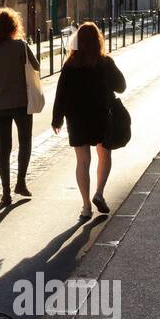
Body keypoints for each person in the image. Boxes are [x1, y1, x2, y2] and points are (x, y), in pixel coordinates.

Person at [51, 21, 127, 222]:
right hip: (101, 115)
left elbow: (61, 94)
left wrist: (56, 119)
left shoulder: (70, 65)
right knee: (104, 154)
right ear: (97, 41)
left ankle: (85, 206)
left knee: (82, 162)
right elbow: (122, 87)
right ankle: (99, 193)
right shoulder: (105, 63)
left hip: (77, 118)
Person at [0, 7, 41, 206]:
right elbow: (37, 66)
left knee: (3, 147)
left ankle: (5, 192)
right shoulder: (20, 46)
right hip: (21, 102)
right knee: (25, 142)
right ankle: (20, 182)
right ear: (14, 27)